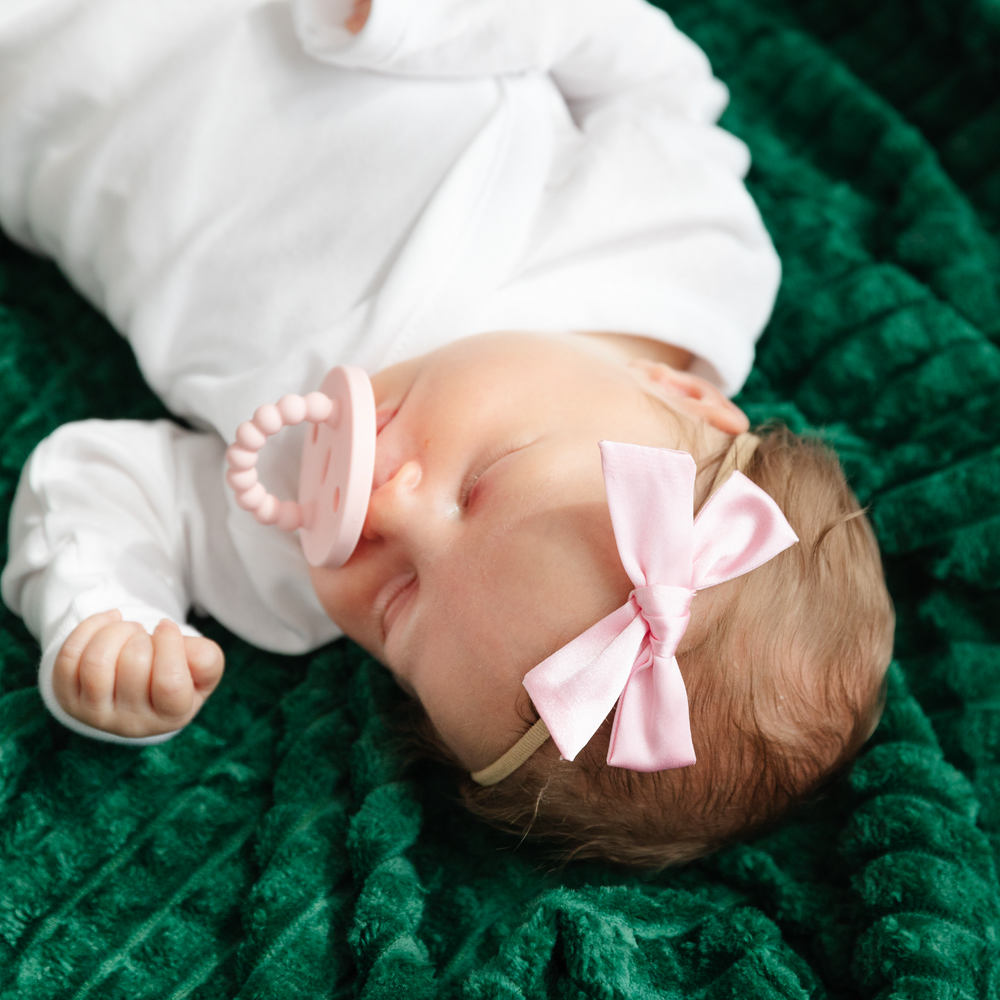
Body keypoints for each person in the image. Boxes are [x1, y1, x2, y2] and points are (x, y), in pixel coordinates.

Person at [0, 0, 893, 866]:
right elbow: (642, 67)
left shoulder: (282, 569)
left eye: (397, 608)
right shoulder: (679, 260)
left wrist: (107, 614)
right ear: (685, 398)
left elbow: (101, 480)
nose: (388, 510)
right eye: (483, 480)